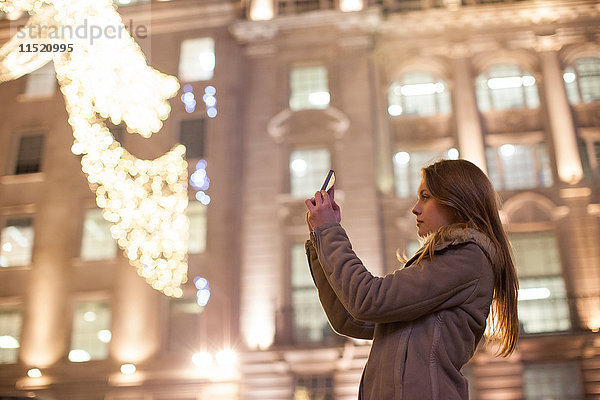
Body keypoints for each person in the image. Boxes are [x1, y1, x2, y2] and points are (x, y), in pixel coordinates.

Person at [304, 159, 519, 400]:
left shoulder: (466, 256)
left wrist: (329, 232)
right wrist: (319, 238)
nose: (416, 208)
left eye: (425, 197)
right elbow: (351, 318)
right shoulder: (445, 260)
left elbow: (369, 300)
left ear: (455, 201)